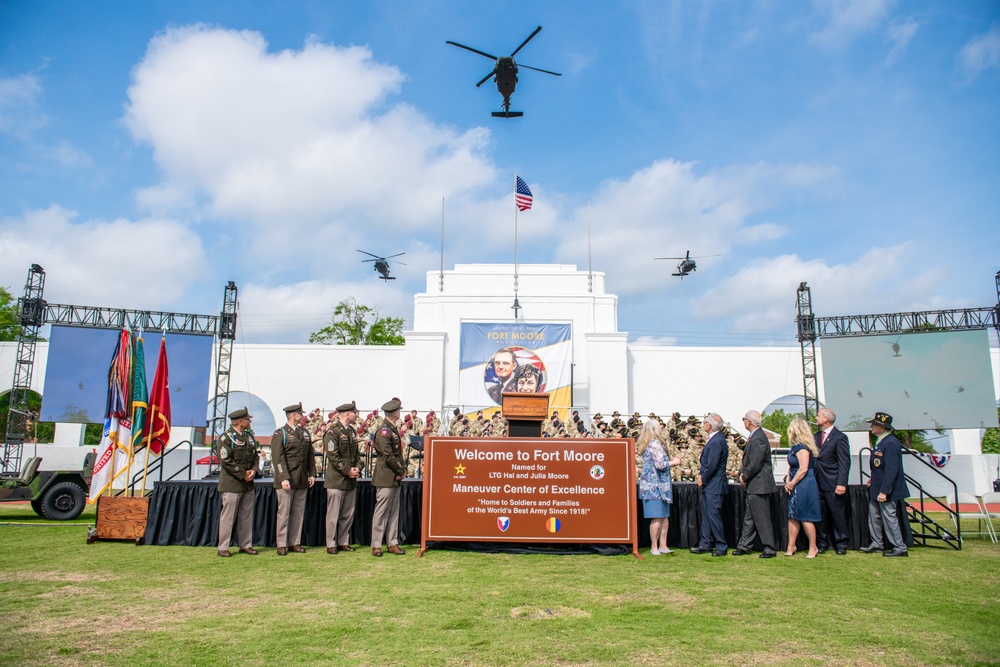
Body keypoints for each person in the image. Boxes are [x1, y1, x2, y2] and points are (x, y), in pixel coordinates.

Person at [861, 412, 910, 557]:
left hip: (887, 489)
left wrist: (885, 491)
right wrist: (873, 478)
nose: (871, 427)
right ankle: (877, 543)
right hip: (878, 486)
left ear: (882, 427)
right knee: (874, 515)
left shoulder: (890, 442)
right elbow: (879, 466)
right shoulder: (882, 441)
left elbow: (891, 469)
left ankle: (900, 546)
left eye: (874, 425)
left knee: (889, 517)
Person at [272, 402, 316, 555]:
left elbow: (310, 455)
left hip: (301, 478)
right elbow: (277, 458)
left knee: (298, 513)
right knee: (284, 513)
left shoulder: (304, 433)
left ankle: (295, 542)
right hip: (287, 479)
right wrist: (283, 477)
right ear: (292, 416)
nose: (302, 416)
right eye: (300, 414)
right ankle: (282, 544)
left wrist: (312, 473)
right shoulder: (281, 433)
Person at [216, 407, 260, 557]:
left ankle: (245, 545)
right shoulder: (226, 438)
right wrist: (243, 474)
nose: (250, 421)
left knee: (246, 516)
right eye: (247, 419)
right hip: (232, 483)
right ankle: (223, 547)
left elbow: (255, 456)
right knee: (228, 516)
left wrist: (254, 470)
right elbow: (225, 460)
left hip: (247, 483)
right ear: (239, 421)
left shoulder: (249, 437)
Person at [734, 410, 778, 558]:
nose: (743, 422)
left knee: (761, 517)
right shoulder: (755, 437)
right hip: (754, 485)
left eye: (744, 419)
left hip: (759, 485)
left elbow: (755, 463)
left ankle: (770, 548)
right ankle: (745, 545)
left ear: (749, 422)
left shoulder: (758, 438)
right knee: (750, 517)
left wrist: (744, 477)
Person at [637, 420, 682, 555]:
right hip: (655, 487)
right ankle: (655, 546)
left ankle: (663, 545)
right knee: (658, 517)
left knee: (663, 517)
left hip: (654, 486)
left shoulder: (646, 444)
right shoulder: (655, 444)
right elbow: (660, 464)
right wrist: (674, 462)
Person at [323, 401, 361, 554]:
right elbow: (333, 455)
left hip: (350, 480)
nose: (356, 415)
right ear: (347, 414)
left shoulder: (351, 431)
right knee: (333, 514)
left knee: (347, 513)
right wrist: (347, 470)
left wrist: (357, 467)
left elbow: (356, 453)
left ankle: (343, 541)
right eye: (354, 413)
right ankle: (331, 543)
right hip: (337, 480)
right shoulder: (333, 432)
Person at [371, 398, 408, 556]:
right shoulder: (384, 430)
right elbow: (388, 455)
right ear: (395, 413)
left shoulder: (391, 429)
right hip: (386, 476)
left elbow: (397, 454)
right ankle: (376, 544)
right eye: (399, 410)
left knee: (393, 511)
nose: (400, 412)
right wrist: (401, 471)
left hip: (393, 476)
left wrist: (401, 470)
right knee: (382, 511)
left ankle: (392, 542)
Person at [690, 413, 729, 556]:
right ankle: (705, 543)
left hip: (714, 484)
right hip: (711, 484)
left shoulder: (717, 441)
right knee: (707, 515)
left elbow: (712, 465)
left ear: (710, 425)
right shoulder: (715, 439)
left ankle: (721, 545)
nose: (703, 424)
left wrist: (703, 478)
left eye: (705, 422)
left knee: (713, 515)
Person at [814, 407, 851, 555]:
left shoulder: (839, 437)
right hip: (817, 481)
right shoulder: (816, 436)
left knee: (837, 514)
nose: (816, 418)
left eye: (818, 415)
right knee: (821, 513)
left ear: (826, 419)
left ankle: (841, 543)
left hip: (832, 481)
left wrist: (841, 483)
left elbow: (844, 462)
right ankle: (822, 543)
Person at [784, 418, 822, 558]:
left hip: (804, 483)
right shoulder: (795, 447)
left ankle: (813, 547)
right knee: (792, 515)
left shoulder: (803, 448)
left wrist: (793, 482)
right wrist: (788, 480)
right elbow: (792, 467)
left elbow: (803, 469)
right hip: (794, 481)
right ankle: (791, 545)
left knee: (806, 516)